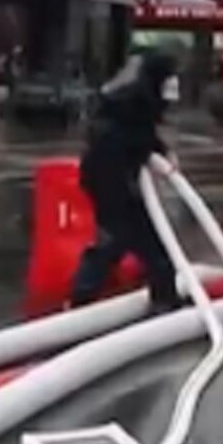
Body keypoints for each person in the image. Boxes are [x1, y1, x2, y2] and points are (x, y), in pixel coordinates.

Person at [69, 49, 182, 313]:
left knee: (130, 240)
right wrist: (160, 151)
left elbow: (139, 134)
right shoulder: (137, 103)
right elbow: (136, 137)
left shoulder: (127, 101)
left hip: (109, 177)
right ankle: (163, 299)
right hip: (111, 180)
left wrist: (161, 150)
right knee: (125, 239)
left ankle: (163, 297)